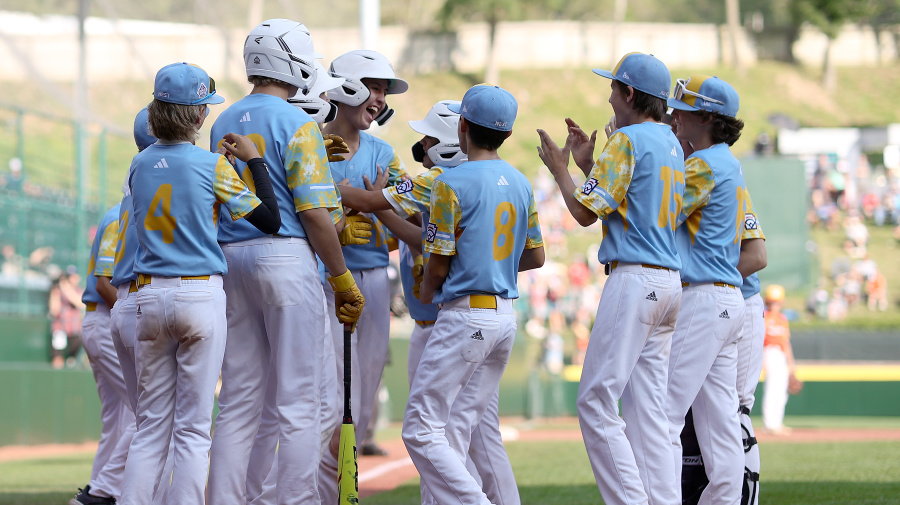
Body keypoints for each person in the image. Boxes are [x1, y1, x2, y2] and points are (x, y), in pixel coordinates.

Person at [206, 20, 364, 505]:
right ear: (290, 61)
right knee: (298, 402)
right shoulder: (297, 124)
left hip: (232, 259)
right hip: (286, 259)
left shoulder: (222, 122)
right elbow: (317, 217)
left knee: (237, 402)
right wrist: (341, 280)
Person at [340, 99, 522, 505]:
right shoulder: (511, 179)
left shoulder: (442, 181)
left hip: (452, 319)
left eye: (427, 137)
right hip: (487, 317)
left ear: (456, 135)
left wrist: (317, 184)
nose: (419, 145)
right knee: (461, 433)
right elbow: (533, 256)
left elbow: (405, 229)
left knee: (432, 431)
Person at [120, 61, 282, 505]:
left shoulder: (138, 164)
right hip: (199, 293)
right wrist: (254, 162)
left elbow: (173, 177)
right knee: (192, 428)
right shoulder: (212, 165)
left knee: (151, 427)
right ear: (196, 116)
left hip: (150, 294)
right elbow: (269, 220)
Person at [537, 52, 684, 505]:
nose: (609, 95)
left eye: (614, 87)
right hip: (668, 283)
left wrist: (561, 169)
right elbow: (626, 196)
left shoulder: (627, 140)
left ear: (631, 94)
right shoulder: (671, 140)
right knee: (648, 412)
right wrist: (588, 167)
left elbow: (583, 213)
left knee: (596, 402)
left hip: (635, 280)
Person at [403, 84, 545, 505]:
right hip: (504, 316)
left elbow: (439, 263)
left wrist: (429, 288)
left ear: (462, 126)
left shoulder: (451, 181)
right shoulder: (520, 182)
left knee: (420, 428)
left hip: (465, 314)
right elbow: (535, 256)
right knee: (457, 428)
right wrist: (489, 262)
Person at [318, 48, 410, 503]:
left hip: (373, 276)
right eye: (373, 86)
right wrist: (346, 207)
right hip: (320, 278)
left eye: (383, 91)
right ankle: (318, 490)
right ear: (346, 87)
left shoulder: (384, 152)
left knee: (363, 397)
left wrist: (375, 218)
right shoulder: (311, 142)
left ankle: (340, 489)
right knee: (326, 397)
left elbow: (401, 216)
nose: (379, 98)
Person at [70, 202, 134, 505]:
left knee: (118, 420)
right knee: (147, 410)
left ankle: (97, 495)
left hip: (101, 320)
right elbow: (103, 282)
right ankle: (102, 490)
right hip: (106, 321)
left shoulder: (124, 211)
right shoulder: (119, 215)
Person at [762, 284, 796, 435]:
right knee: (771, 388)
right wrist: (761, 361)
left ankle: (778, 423)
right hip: (769, 352)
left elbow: (786, 343)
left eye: (777, 302)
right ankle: (770, 424)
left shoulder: (783, 319)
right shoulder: (764, 317)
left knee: (781, 391)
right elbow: (760, 341)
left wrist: (792, 365)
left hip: (780, 355)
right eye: (772, 302)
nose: (775, 305)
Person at [49, 265, 85, 368]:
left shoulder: (79, 290)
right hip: (60, 328)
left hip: (74, 330)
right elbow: (54, 310)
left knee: (72, 359)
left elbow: (79, 302)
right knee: (57, 356)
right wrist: (55, 292)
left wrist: (65, 288)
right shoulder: (58, 291)